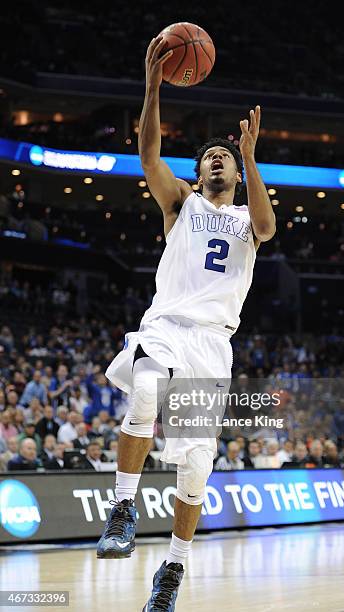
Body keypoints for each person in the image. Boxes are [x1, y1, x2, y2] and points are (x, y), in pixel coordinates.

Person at [96, 35, 276, 611]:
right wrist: (152, 88)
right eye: (211, 154)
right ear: (198, 171)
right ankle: (122, 509)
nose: (218, 157)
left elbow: (269, 230)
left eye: (226, 154)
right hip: (167, 325)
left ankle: (172, 570)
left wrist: (250, 155)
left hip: (212, 347)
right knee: (146, 388)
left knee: (195, 468)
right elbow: (149, 156)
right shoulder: (181, 202)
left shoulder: (249, 218)